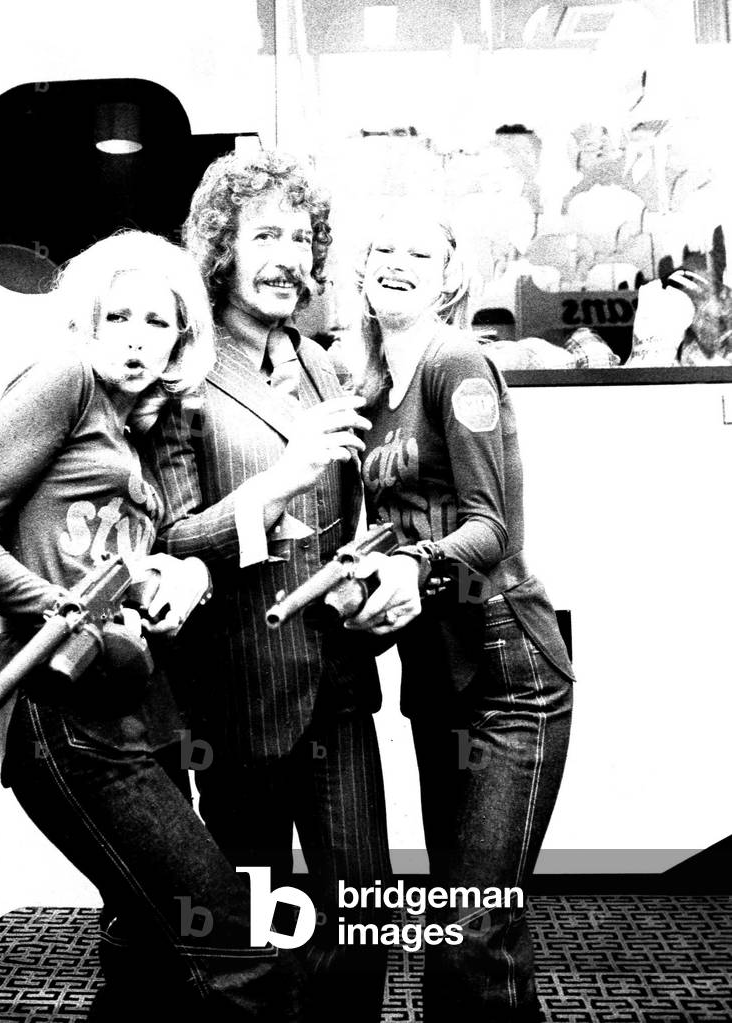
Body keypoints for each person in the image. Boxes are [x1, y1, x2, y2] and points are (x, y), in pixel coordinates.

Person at [0, 230, 304, 1022]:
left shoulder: (137, 427)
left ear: (180, 339)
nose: (135, 337)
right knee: (232, 945)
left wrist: (163, 576)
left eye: (156, 321)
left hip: (135, 701)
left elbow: (108, 547)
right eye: (119, 317)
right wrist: (66, 608)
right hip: (63, 705)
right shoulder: (63, 380)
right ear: (88, 323)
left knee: (146, 948)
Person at [148, 151, 406, 1021]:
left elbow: (346, 513)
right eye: (265, 235)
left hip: (336, 683)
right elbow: (173, 537)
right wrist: (281, 480)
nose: (287, 257)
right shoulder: (182, 374)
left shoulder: (324, 365)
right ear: (221, 248)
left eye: (300, 239)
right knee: (252, 933)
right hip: (236, 694)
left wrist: (366, 577)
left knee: (363, 914)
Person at [348, 205, 575, 1022]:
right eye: (382, 248)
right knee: (464, 921)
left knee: (474, 930)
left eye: (419, 253)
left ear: (449, 278)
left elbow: (490, 526)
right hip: (436, 668)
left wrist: (414, 563)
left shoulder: (456, 362)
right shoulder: (372, 388)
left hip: (508, 666)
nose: (395, 262)